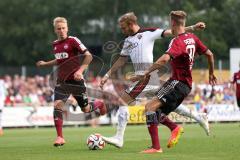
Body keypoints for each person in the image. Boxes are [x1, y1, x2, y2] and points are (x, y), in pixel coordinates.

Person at [100, 12, 210, 149]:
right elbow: (121, 60)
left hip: (146, 77)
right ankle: (196, 118)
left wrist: (193, 27)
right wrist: (107, 75)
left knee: (123, 100)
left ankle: (119, 138)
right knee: (162, 105)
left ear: (131, 24)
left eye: (123, 27)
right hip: (146, 78)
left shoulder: (149, 32)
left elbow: (173, 31)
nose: (122, 30)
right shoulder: (128, 41)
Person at [135, 10, 217, 153]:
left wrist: (145, 73)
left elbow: (164, 59)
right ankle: (174, 128)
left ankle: (156, 147)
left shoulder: (177, 41)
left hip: (177, 83)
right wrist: (211, 73)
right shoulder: (192, 38)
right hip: (185, 85)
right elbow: (209, 54)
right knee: (155, 112)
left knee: (149, 107)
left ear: (172, 23)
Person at [36, 17, 106, 147]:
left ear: (67, 28)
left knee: (85, 109)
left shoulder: (73, 40)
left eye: (63, 28)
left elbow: (89, 56)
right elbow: (59, 60)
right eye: (59, 29)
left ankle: (99, 104)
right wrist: (46, 63)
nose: (61, 31)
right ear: (55, 30)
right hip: (62, 82)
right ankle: (60, 137)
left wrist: (80, 71)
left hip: (76, 81)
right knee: (57, 106)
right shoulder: (55, 44)